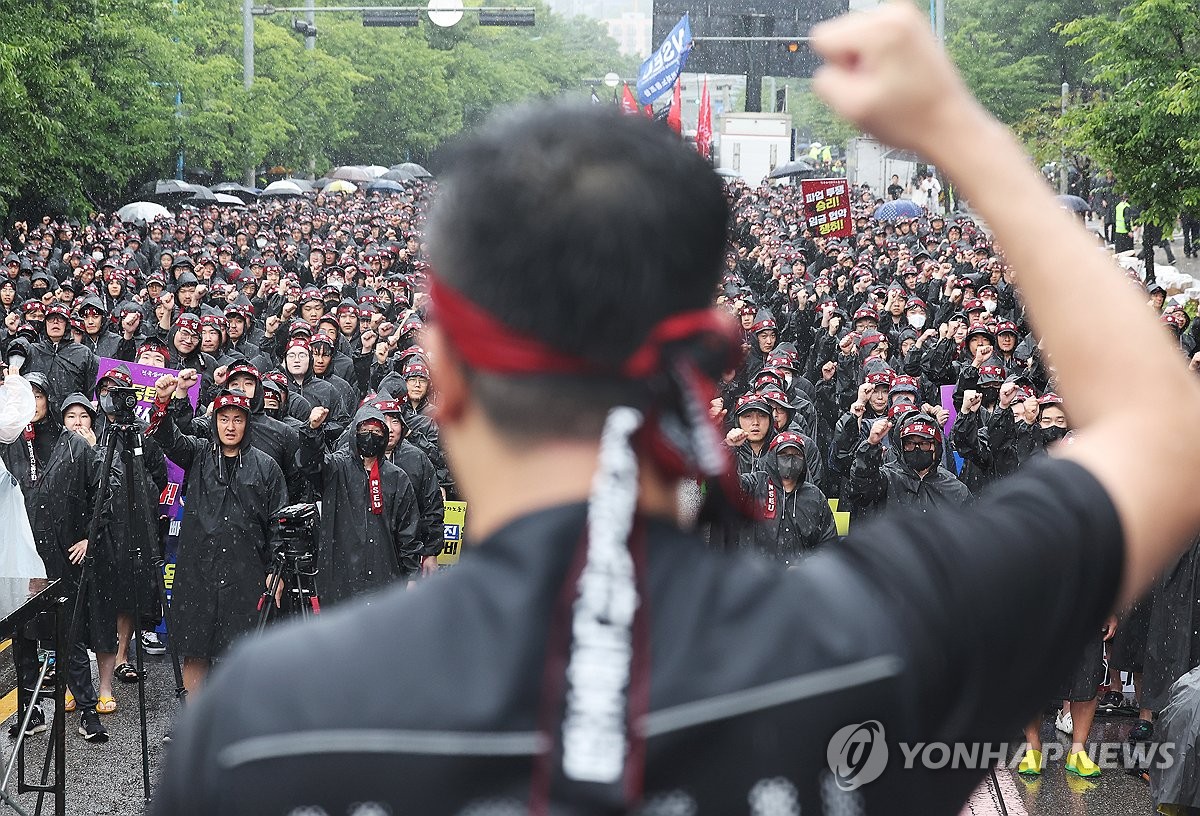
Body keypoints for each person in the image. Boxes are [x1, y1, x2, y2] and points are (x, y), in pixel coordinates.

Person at [153, 5, 1200, 813]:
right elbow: (1166, 437)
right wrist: (958, 134)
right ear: (706, 366)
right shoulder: (867, 646)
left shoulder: (264, 725)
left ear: (449, 378)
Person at [147, 382, 286, 700]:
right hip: (198, 572)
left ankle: (235, 725)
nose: (231, 426)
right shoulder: (196, 453)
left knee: (243, 654)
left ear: (248, 423)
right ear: (215, 421)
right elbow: (168, 437)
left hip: (247, 574)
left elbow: (278, 522)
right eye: (224, 418)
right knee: (196, 651)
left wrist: (276, 573)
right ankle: (194, 724)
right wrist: (164, 403)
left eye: (238, 419)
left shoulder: (266, 467)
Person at [298, 405, 422, 605]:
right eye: (364, 431)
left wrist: (412, 575)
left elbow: (408, 532)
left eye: (376, 432)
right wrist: (311, 431)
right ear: (354, 433)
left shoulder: (396, 477)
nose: (370, 436)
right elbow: (310, 464)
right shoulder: (336, 468)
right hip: (341, 578)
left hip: (385, 577)